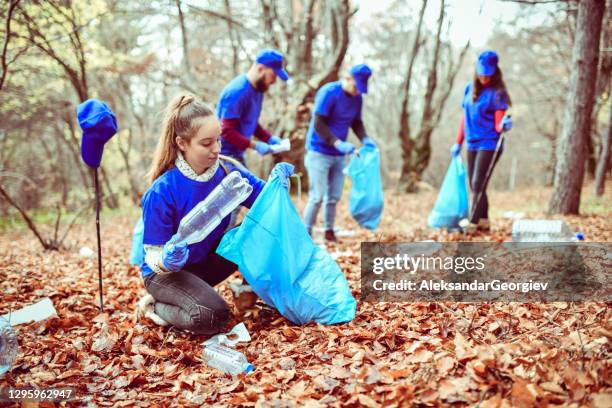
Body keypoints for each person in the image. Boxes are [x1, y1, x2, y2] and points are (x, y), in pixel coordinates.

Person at [136, 93, 290, 334]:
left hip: (203, 263)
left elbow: (266, 202)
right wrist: (166, 260)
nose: (217, 149)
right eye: (207, 144)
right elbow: (152, 256)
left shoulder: (229, 171)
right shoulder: (162, 191)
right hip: (165, 274)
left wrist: (277, 186)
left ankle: (248, 290)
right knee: (213, 316)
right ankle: (156, 307)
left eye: (218, 140)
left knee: (257, 231)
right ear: (181, 143)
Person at [303, 64, 376, 242]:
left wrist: (365, 138)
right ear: (347, 78)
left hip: (338, 155)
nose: (357, 92)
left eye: (361, 89)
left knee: (334, 196)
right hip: (319, 151)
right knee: (317, 196)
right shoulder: (329, 92)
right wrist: (336, 142)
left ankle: (329, 231)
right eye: (356, 87)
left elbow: (356, 122)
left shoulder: (357, 98)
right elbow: (319, 123)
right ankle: (305, 233)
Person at [451, 50, 513, 233]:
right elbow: (465, 119)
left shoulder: (498, 94)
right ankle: (484, 222)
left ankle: (472, 223)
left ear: (495, 72)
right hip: (472, 142)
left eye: (488, 74)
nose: (484, 77)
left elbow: (498, 126)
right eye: (482, 73)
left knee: (478, 182)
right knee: (476, 184)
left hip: (490, 143)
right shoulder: (469, 89)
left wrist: (504, 125)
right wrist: (458, 142)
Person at [216, 48, 289, 166]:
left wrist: (270, 139)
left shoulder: (258, 91)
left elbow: (250, 122)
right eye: (273, 75)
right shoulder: (238, 91)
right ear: (260, 69)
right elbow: (225, 130)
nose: (274, 81)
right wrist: (255, 146)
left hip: (237, 153)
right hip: (223, 155)